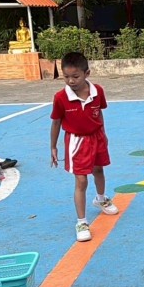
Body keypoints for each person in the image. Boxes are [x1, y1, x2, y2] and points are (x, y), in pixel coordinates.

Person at [50, 52, 118, 242]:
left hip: (97, 137)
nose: (70, 81)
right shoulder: (60, 97)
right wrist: (53, 146)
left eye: (75, 76)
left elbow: (99, 114)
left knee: (99, 170)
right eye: (66, 76)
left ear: (87, 73)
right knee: (81, 181)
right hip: (76, 141)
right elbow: (56, 122)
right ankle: (81, 222)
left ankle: (101, 199)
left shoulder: (98, 91)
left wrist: (103, 133)